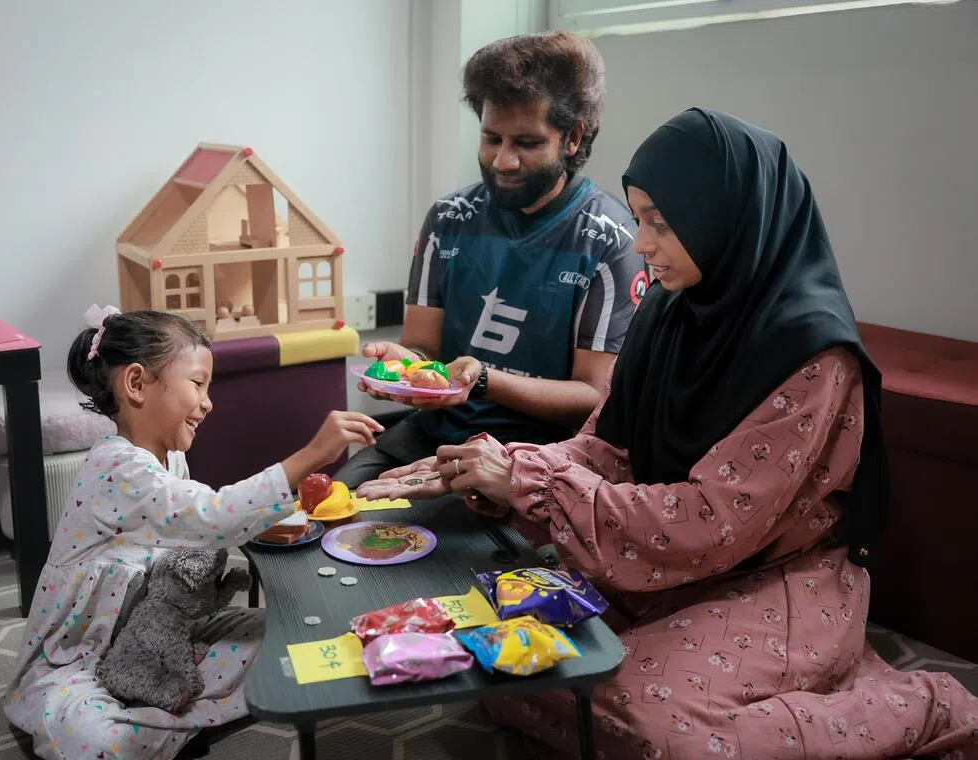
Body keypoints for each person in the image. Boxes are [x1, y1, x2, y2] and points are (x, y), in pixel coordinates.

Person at [358, 109, 978, 758]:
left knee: (660, 729)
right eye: (638, 218)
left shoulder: (810, 352)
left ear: (725, 215)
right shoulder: (668, 307)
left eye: (660, 221)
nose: (643, 243)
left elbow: (714, 520)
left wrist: (532, 483)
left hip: (776, 572)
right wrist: (499, 467)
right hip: (659, 558)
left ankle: (921, 708)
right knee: (501, 657)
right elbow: (609, 445)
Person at [3, 306, 383, 760]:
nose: (208, 401)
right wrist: (310, 457)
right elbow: (212, 516)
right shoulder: (115, 465)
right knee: (87, 741)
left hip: (162, 636)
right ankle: (158, 723)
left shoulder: (170, 457)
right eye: (198, 383)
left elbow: (205, 523)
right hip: (82, 659)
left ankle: (156, 716)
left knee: (286, 639)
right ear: (137, 384)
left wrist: (296, 513)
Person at [334, 31, 645, 488]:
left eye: (526, 143)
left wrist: (483, 381)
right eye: (491, 138)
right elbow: (424, 350)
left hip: (540, 456)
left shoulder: (611, 242)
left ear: (573, 138)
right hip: (437, 434)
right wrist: (407, 366)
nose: (503, 161)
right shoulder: (448, 219)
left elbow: (592, 396)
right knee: (335, 510)